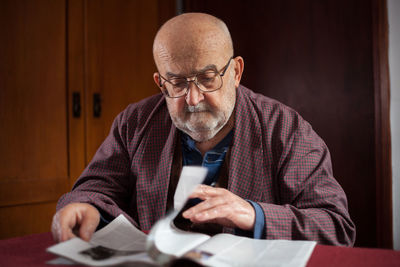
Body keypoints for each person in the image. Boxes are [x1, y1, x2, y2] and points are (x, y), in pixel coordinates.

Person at [51, 13, 356, 246]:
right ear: (160, 83)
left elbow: (335, 226)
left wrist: (253, 214)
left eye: (208, 78)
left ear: (235, 71)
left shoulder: (286, 129)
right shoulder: (135, 122)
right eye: (178, 83)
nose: (194, 98)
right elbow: (93, 190)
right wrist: (86, 207)